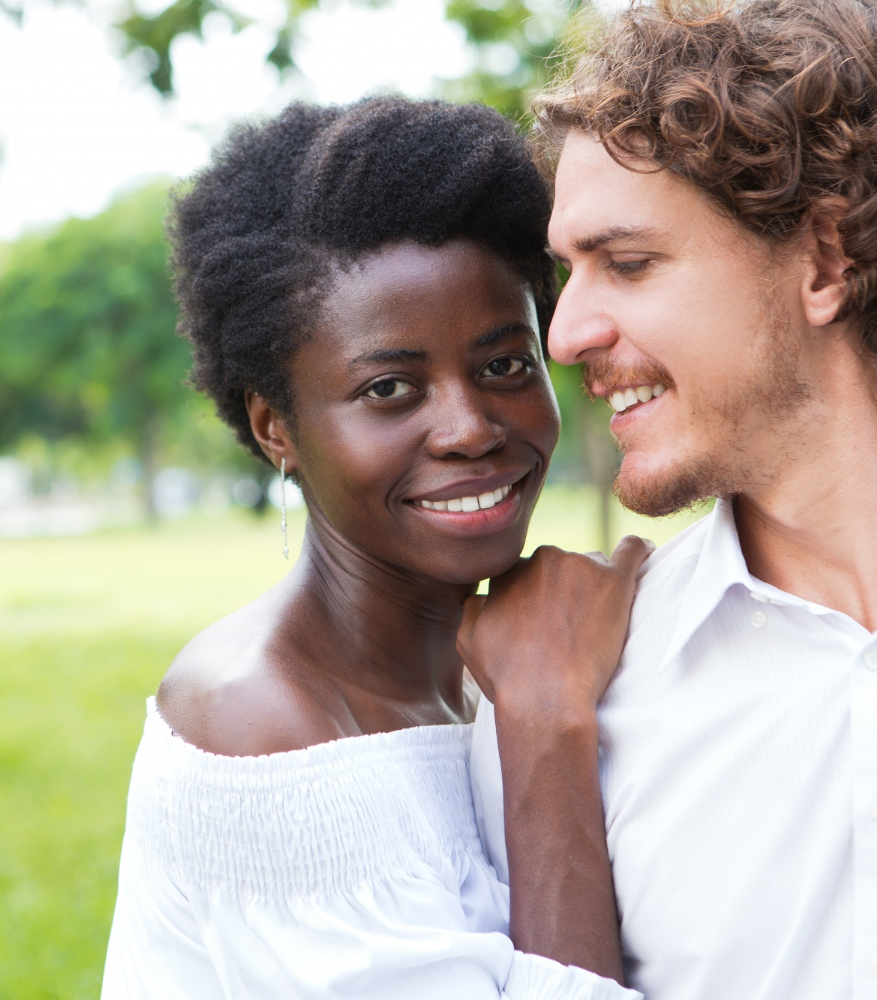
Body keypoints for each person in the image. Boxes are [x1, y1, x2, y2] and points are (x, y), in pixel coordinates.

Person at [464, 2, 877, 999]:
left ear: (826, 261)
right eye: (567, 273)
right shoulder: (567, 692)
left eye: (628, 262)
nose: (563, 334)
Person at [101, 96, 650, 999]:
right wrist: (547, 720)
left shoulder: (496, 660)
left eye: (505, 365)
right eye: (391, 387)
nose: (470, 427)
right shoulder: (264, 736)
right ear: (276, 427)